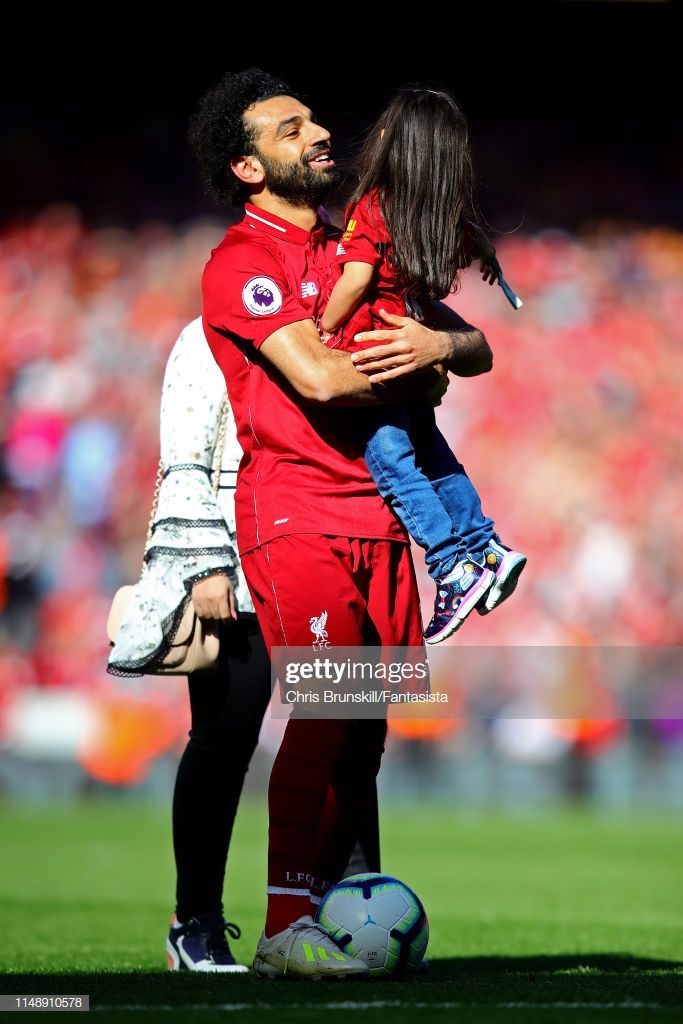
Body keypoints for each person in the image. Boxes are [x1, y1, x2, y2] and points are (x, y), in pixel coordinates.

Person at [191, 68, 493, 979]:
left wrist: (439, 347)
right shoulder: (242, 265)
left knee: (364, 732)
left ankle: (323, 914)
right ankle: (285, 924)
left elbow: (471, 347)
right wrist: (422, 375)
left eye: (313, 120)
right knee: (325, 707)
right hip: (298, 512)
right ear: (248, 168)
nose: (320, 133)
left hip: (378, 517)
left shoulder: (352, 245)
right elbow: (318, 379)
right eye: (291, 129)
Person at [107, 317, 381, 972]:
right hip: (238, 549)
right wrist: (203, 560)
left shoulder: (339, 322)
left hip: (329, 545)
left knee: (348, 732)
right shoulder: (207, 334)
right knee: (227, 736)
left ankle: (349, 913)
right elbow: (184, 454)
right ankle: (193, 920)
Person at [320, 86, 526, 645]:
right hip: (408, 355)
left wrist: (319, 324)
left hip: (379, 353)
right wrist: (489, 262)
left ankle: (452, 565)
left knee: (393, 463)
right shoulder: (432, 216)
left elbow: (357, 281)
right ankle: (484, 545)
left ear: (394, 143)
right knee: (433, 457)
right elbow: (472, 238)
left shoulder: (372, 207)